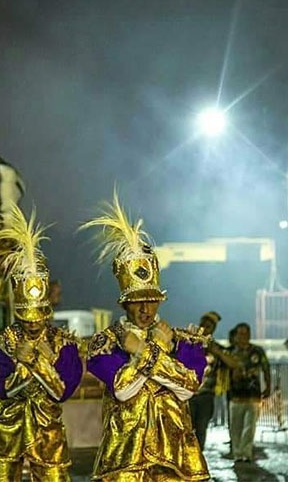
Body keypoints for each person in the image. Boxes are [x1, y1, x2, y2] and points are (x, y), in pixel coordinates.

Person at [82, 193, 210, 481]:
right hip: (125, 459)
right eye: (137, 301)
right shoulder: (105, 343)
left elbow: (188, 387)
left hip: (175, 460)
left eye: (151, 301)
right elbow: (122, 390)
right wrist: (157, 350)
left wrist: (145, 350)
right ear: (124, 304)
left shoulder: (183, 341)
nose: (145, 309)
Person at [0, 204, 83, 481]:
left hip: (48, 433)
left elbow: (61, 392)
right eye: (26, 318)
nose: (33, 324)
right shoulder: (1, 343)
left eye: (38, 317)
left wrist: (32, 360)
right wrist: (38, 365)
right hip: (6, 432)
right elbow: (5, 389)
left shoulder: (64, 344)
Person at [189, 311, 241, 450]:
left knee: (201, 428)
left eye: (209, 326)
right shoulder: (189, 343)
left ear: (213, 329)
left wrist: (217, 352)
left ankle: (198, 457)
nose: (205, 328)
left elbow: (234, 363)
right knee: (186, 429)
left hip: (206, 396)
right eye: (203, 325)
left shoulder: (216, 348)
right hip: (187, 395)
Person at [227, 322, 270, 462]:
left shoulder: (257, 351)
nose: (243, 337)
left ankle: (246, 453)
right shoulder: (229, 352)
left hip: (253, 396)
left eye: (245, 334)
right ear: (236, 335)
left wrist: (268, 386)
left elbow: (266, 368)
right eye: (240, 334)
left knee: (250, 427)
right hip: (235, 396)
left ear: (249, 335)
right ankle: (237, 453)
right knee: (236, 427)